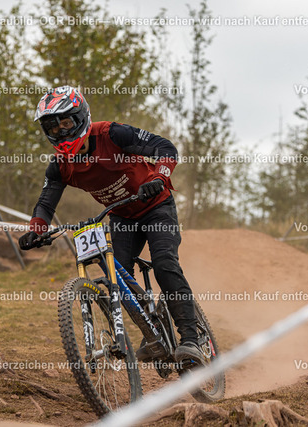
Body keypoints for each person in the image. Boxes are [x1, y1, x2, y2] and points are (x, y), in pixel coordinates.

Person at [18, 85, 203, 365]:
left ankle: (191, 339)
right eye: (53, 128)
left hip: (156, 206)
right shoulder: (60, 166)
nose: (61, 132)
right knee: (118, 279)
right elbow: (45, 204)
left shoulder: (112, 134)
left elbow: (166, 148)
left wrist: (158, 178)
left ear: (81, 117)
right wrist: (36, 230)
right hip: (122, 217)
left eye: (65, 123)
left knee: (164, 264)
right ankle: (153, 329)